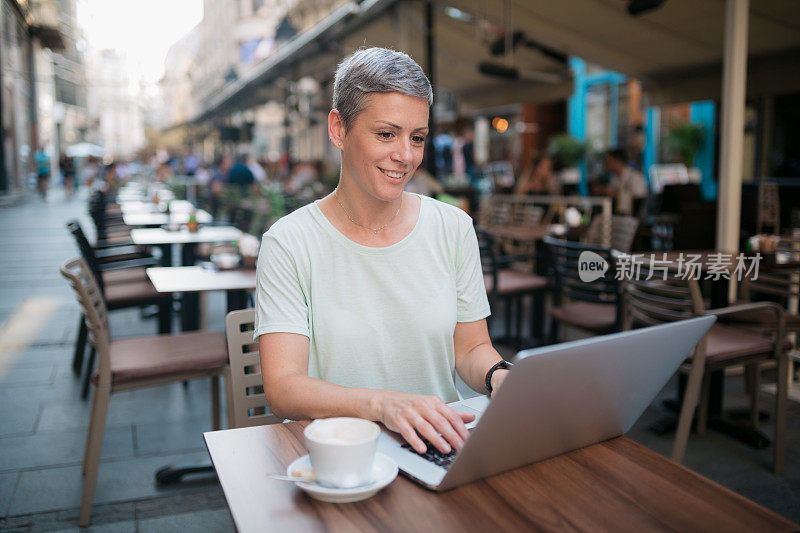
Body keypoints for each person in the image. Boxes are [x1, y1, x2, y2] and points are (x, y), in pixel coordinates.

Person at [254, 47, 510, 457]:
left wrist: (501, 375)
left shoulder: (453, 227)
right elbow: (284, 388)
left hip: (438, 446)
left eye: (417, 138)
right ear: (338, 129)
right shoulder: (290, 241)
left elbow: (470, 349)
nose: (406, 156)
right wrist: (383, 405)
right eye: (386, 134)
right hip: (338, 457)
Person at [603, 148, 647, 215]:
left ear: (617, 161)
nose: (605, 164)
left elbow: (640, 203)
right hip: (619, 217)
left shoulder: (635, 177)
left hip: (632, 220)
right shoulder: (614, 179)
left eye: (608, 160)